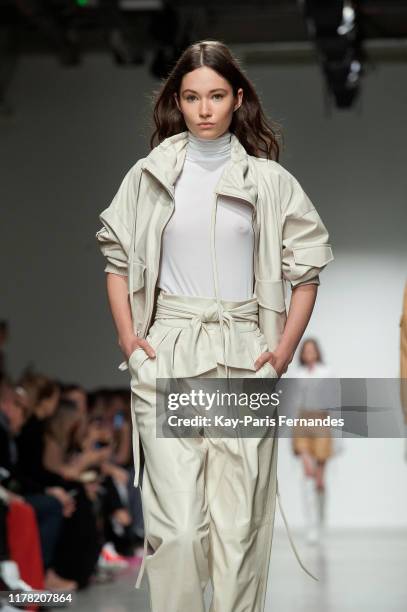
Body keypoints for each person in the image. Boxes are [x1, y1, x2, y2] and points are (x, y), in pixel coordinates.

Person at [95, 39, 334, 612]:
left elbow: (308, 271)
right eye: (192, 96)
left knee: (238, 528)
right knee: (175, 529)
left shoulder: (269, 182)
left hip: (243, 353)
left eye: (216, 96)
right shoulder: (150, 175)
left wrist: (279, 353)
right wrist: (131, 340)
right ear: (177, 101)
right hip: (170, 351)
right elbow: (117, 260)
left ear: (238, 98)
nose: (204, 109)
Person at [290, 338, 340, 544]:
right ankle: (309, 524)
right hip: (302, 422)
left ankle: (320, 521)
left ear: (317, 352)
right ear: (302, 353)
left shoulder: (326, 372)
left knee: (319, 480)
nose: (309, 354)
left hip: (321, 422)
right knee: (307, 473)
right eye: (306, 350)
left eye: (312, 350)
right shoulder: (296, 375)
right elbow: (292, 402)